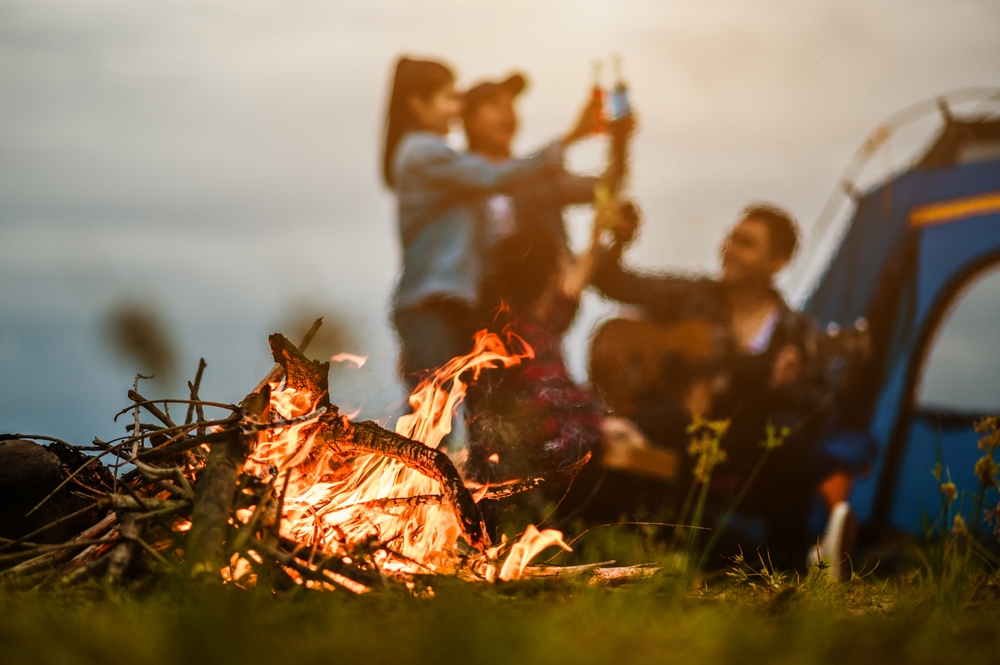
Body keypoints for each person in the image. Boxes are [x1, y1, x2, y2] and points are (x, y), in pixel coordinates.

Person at [591, 203, 832, 569]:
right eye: (731, 238)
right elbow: (612, 282)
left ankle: (783, 560)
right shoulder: (694, 296)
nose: (730, 249)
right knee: (638, 428)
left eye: (746, 243)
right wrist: (618, 240)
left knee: (788, 441)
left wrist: (786, 385)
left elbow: (817, 401)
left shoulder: (794, 333)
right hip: (677, 425)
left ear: (778, 262)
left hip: (739, 441)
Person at [381, 58, 598, 389]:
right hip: (431, 307)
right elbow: (496, 176)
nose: (456, 108)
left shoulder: (442, 159)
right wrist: (571, 138)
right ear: (417, 103)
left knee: (456, 417)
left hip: (456, 308)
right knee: (435, 416)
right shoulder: (423, 154)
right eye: (449, 99)